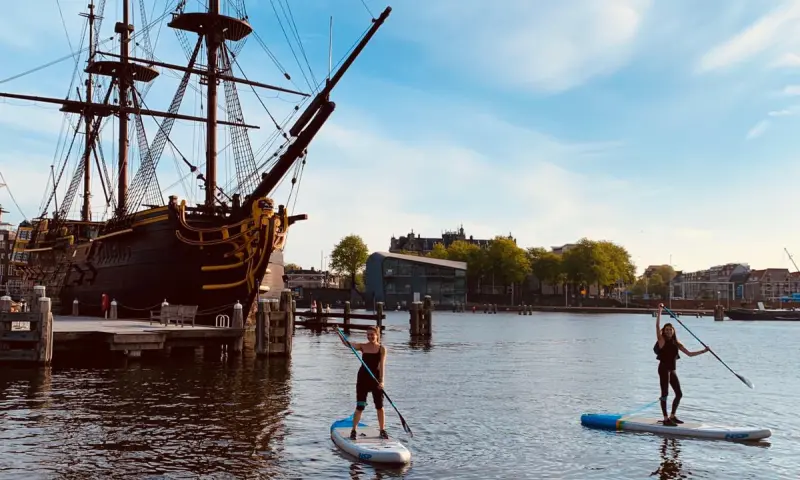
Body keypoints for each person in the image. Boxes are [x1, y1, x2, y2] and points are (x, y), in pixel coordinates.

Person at [654, 303, 710, 426]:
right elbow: (657, 326)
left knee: (679, 394)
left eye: (670, 329)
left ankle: (672, 416)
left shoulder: (677, 343)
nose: (668, 331)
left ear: (673, 331)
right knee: (665, 394)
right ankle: (665, 418)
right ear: (664, 331)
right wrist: (659, 310)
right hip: (663, 369)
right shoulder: (662, 341)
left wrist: (704, 351)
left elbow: (689, 354)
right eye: (666, 329)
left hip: (672, 370)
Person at [339, 326, 388, 440]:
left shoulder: (382, 349)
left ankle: (382, 430)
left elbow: (382, 366)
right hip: (362, 379)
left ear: (377, 335)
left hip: (375, 379)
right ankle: (353, 430)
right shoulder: (363, 346)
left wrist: (382, 381)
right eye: (368, 334)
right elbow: (348, 344)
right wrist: (338, 333)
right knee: (360, 406)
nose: (370, 336)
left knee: (379, 407)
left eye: (372, 334)